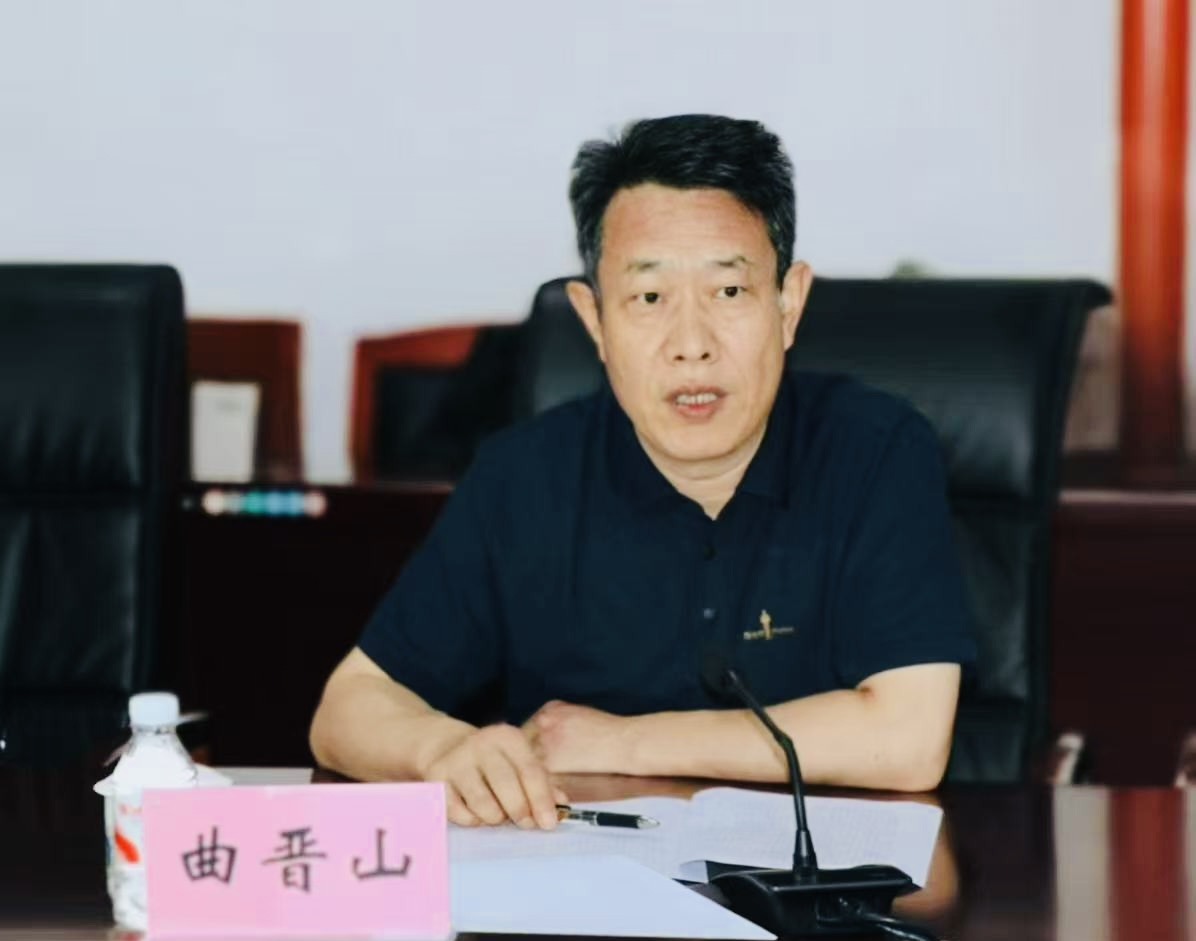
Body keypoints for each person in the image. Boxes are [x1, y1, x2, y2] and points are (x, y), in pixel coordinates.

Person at [310, 114, 975, 830]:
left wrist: (619, 741)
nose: (692, 344)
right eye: (650, 298)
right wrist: (442, 749)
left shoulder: (875, 450)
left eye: (728, 292)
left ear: (789, 303)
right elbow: (346, 709)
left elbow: (908, 741)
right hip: (578, 876)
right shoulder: (523, 477)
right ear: (594, 320)